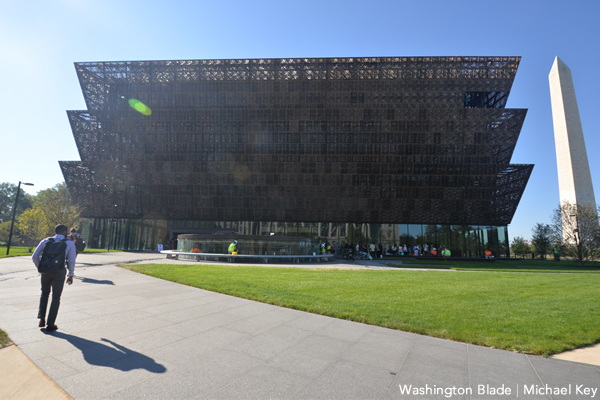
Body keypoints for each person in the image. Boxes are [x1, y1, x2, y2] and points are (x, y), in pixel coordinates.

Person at [32, 224, 76, 332]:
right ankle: (50, 324)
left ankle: (41, 318)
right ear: (65, 232)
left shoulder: (46, 241)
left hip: (45, 271)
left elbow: (34, 256)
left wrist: (40, 267)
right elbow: (71, 260)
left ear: (55, 231)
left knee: (44, 293)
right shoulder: (69, 243)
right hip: (59, 271)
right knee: (56, 297)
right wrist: (70, 275)